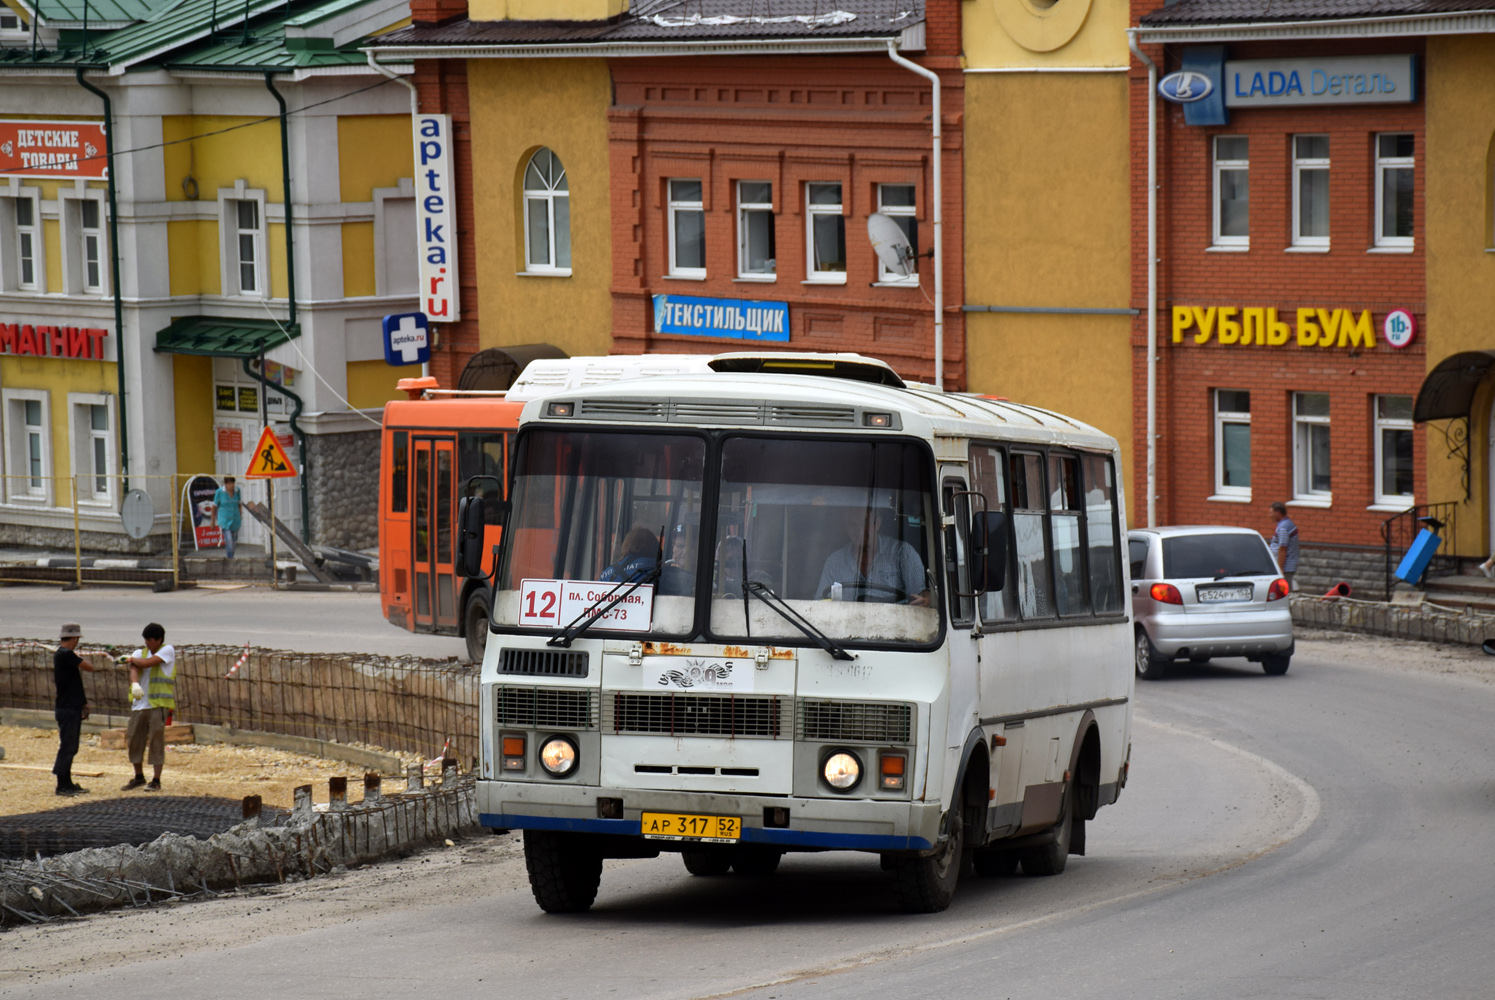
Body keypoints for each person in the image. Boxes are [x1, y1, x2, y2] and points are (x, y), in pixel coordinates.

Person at [816, 506, 930, 606]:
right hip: (846, 628)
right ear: (846, 528)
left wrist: (925, 599)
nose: (859, 530)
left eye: (865, 523)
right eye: (852, 524)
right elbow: (821, 604)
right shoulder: (835, 562)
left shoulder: (903, 553)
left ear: (878, 523)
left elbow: (922, 598)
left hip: (897, 626)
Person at [119, 622, 176, 791]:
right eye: (146, 640)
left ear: (159, 640)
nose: (147, 643)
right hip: (139, 705)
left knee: (156, 742)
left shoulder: (167, 650)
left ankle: (156, 780)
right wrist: (135, 684)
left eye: (150, 640)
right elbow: (135, 667)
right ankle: (138, 777)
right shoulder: (139, 653)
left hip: (157, 705)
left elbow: (148, 663)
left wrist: (130, 659)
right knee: (134, 740)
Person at [53, 623, 98, 796]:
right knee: (68, 746)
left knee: (71, 746)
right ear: (74, 638)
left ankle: (67, 782)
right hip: (68, 708)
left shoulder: (64, 655)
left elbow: (74, 683)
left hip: (71, 705)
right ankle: (61, 785)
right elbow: (89, 666)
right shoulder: (65, 654)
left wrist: (83, 702)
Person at [1268, 501, 1300, 593]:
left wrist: (1280, 568)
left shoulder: (1283, 528)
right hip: (1288, 565)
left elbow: (1282, 548)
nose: (1270, 515)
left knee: (1285, 591)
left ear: (1277, 512)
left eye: (1271, 512)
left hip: (1286, 566)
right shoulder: (1288, 524)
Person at [214, 476, 243, 559]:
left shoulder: (237, 491)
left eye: (232, 483)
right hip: (224, 520)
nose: (231, 485)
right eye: (229, 483)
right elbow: (214, 506)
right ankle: (230, 558)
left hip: (235, 519)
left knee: (233, 541)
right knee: (229, 540)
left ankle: (231, 557)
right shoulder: (219, 492)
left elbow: (239, 504)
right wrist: (213, 520)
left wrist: (240, 515)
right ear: (225, 484)